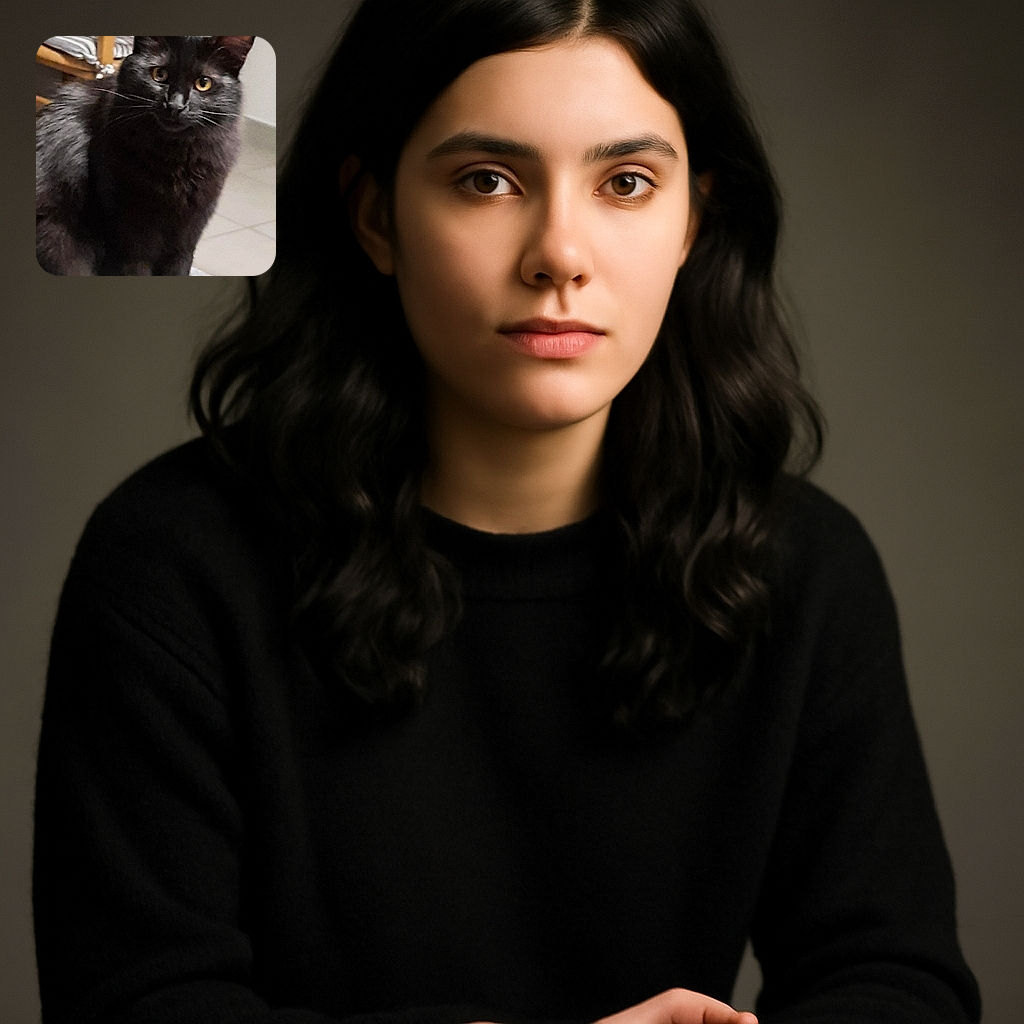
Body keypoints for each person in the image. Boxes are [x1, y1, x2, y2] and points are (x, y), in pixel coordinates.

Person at [33, 1, 981, 1022]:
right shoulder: (172, 562)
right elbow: (135, 999)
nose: (558, 255)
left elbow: (897, 979)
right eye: (487, 180)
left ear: (690, 223)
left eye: (626, 183)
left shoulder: (805, 563)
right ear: (374, 216)